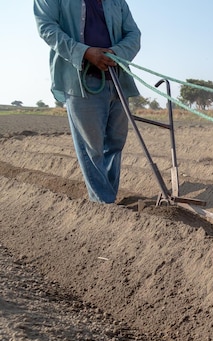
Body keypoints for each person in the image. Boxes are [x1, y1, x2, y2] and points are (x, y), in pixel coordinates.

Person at [34, 0, 141, 204]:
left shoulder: (117, 2)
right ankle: (103, 204)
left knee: (116, 144)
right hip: (81, 81)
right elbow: (46, 27)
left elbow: (134, 34)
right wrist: (84, 52)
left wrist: (117, 53)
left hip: (117, 80)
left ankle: (108, 199)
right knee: (91, 148)